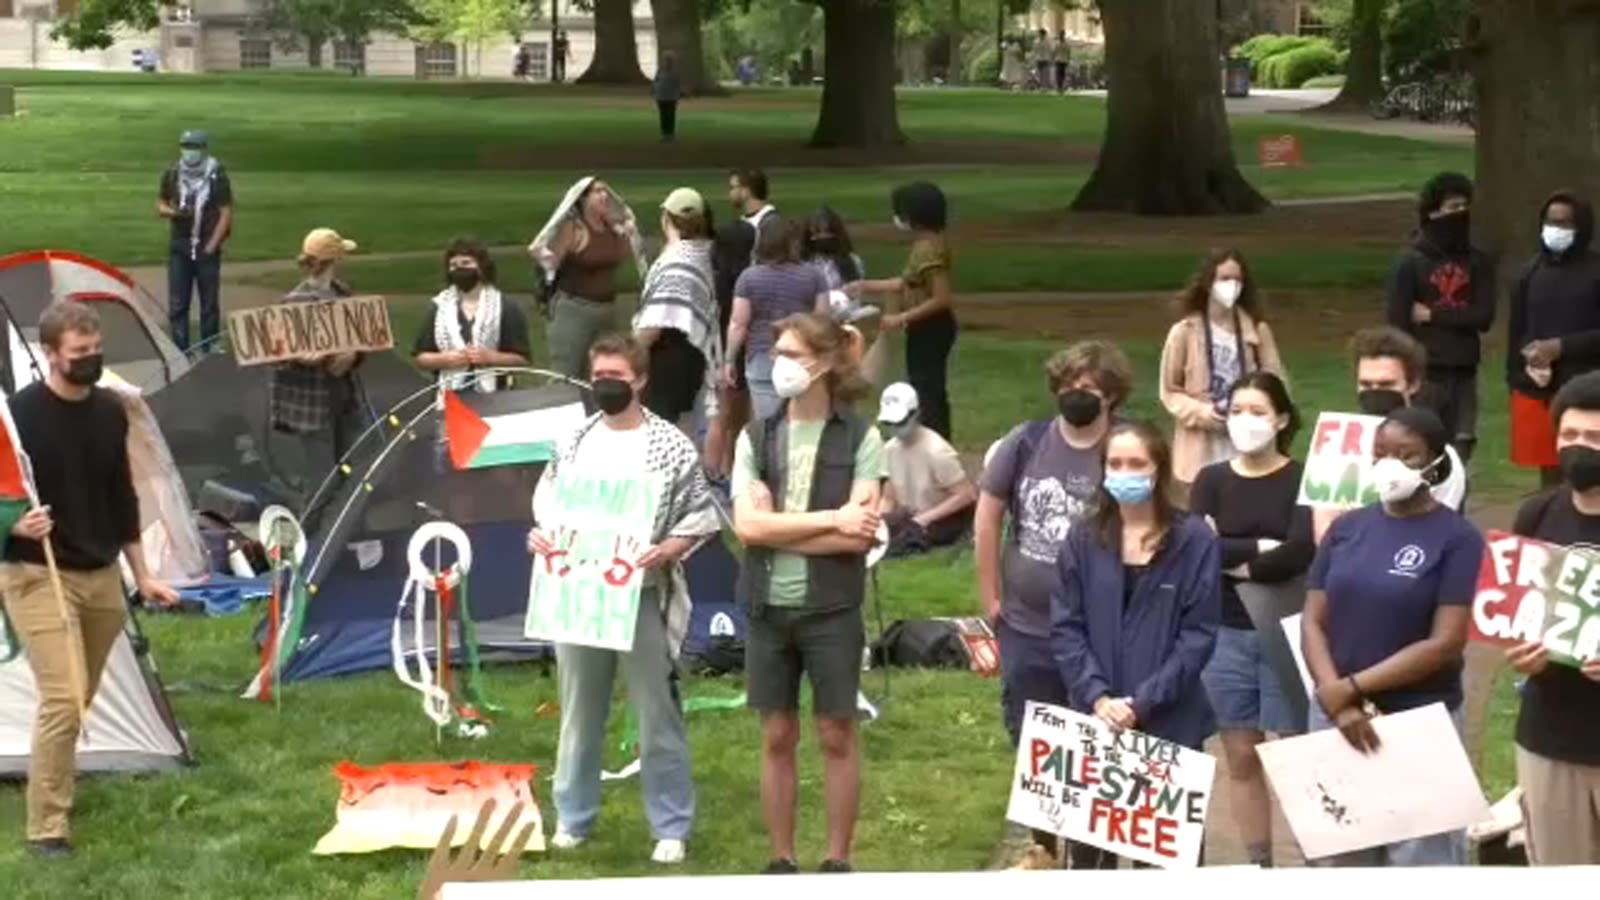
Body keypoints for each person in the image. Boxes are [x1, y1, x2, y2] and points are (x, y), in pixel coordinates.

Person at [0, 301, 180, 859]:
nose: (90, 361)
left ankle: (60, 779)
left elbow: (119, 494)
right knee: (64, 694)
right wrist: (15, 523)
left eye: (95, 351)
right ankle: (47, 828)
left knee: (81, 698)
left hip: (101, 572)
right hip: (36, 571)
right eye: (79, 354)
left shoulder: (110, 410)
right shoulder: (19, 418)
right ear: (51, 355)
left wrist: (143, 573)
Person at [528, 334, 717, 865]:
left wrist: (665, 551)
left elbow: (698, 518)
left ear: (639, 380)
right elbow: (547, 505)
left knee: (657, 713)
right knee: (579, 714)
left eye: (616, 376)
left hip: (640, 597)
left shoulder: (670, 446)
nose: (606, 385)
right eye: (599, 376)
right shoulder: (573, 441)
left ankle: (671, 824)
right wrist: (539, 537)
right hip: (577, 596)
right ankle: (573, 817)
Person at [729, 312, 884, 874]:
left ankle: (837, 860)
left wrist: (786, 529)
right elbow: (748, 530)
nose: (781, 365)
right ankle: (781, 858)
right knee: (776, 732)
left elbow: (859, 534)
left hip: (831, 608)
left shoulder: (862, 437)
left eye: (792, 354)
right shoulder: (756, 435)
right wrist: (831, 521)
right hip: (767, 606)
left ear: (820, 362)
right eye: (778, 352)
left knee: (835, 730)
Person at [1301, 406, 1481, 867]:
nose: (1390, 465)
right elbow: (1312, 620)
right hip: (1335, 716)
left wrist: (1354, 689)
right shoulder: (1347, 527)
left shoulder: (1458, 538)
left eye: (1408, 455)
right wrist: (1336, 699)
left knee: (1422, 861)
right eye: (1381, 453)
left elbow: (1445, 642)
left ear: (1436, 464)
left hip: (1419, 721)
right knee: (1340, 859)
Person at [975, 340, 1132, 859]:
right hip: (1026, 623)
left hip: (1099, 631)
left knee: (1096, 746)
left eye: (1087, 388)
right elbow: (988, 515)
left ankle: (1093, 859)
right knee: (1032, 738)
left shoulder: (1127, 448)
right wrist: (991, 596)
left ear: (1111, 395)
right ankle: (1043, 846)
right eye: (1067, 387)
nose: (1075, 395)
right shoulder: (1027, 442)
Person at [1052, 420, 1220, 870]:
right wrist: (1097, 695)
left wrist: (1142, 703)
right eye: (1115, 463)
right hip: (1096, 722)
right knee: (1088, 863)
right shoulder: (1082, 538)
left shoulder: (1195, 540)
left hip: (1169, 722)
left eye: (1136, 464)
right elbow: (1067, 626)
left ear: (1158, 469)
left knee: (1166, 866)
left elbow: (1198, 635)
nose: (1125, 472)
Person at [1189, 371, 1313, 868]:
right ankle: (1259, 863)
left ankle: (1314, 859)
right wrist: (1262, 547)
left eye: (1258, 411)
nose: (1246, 421)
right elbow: (1198, 549)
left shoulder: (1302, 477)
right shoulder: (1211, 480)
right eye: (1237, 410)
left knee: (1294, 755)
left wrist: (1233, 556)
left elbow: (1301, 551)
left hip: (1285, 629)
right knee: (1240, 753)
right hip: (1224, 631)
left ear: (1281, 418)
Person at [1501, 371, 1600, 865]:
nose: (1580, 448)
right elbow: (1517, 615)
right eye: (1571, 436)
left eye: (1595, 438)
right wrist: (1523, 655)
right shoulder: (1536, 515)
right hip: (1550, 735)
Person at [1315, 327, 1468, 540]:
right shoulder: (1337, 443)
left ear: (1413, 384)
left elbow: (1430, 533)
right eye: (1366, 384)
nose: (1375, 391)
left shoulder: (1438, 455)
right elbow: (1324, 530)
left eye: (1386, 384)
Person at [1159, 249, 1285, 506]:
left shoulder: (1257, 331)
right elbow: (1170, 390)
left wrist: (1256, 412)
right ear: (1208, 282)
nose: (1232, 286)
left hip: (1246, 436)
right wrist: (1203, 413)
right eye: (1225, 279)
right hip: (1200, 444)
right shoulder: (1184, 331)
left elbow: (1275, 383)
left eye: (1238, 280)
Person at [1386, 172, 1495, 465]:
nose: (1461, 214)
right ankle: (1426, 500)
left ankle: (1452, 504)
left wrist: (1433, 314)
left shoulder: (1477, 262)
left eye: (1464, 206)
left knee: (1461, 447)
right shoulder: (1409, 262)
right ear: (1433, 212)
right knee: (1424, 448)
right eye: (1453, 207)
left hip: (1464, 371)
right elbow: (1398, 322)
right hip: (1426, 375)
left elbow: (1484, 316)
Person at [847, 182, 957, 440]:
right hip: (925, 326)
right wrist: (865, 285)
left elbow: (941, 298)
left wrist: (901, 317)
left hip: (933, 327)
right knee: (925, 386)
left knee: (928, 389)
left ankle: (936, 443)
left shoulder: (929, 250)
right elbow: (906, 282)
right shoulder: (926, 245)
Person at [1506, 190, 1600, 489]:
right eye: (1551, 221)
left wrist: (1561, 347)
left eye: (1565, 223)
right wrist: (1517, 376)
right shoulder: (1529, 272)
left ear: (1581, 227)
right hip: (1537, 388)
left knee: (1586, 468)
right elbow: (1517, 329)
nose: (1556, 229)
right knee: (1549, 473)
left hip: (1587, 388)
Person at [269, 228, 367, 501]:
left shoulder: (344, 294)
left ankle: (339, 535)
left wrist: (353, 354)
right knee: (324, 482)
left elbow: (361, 340)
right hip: (312, 406)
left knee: (348, 472)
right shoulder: (293, 302)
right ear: (335, 260)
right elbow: (277, 357)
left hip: (343, 398)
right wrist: (300, 358)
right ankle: (309, 537)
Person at [529, 177, 644, 380]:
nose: (604, 196)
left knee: (603, 372)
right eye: (597, 192)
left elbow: (624, 255)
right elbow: (550, 263)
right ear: (582, 199)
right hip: (574, 311)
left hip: (607, 311)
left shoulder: (612, 229)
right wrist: (543, 256)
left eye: (605, 191)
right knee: (566, 375)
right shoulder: (573, 229)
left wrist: (627, 230)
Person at [725, 218, 829, 421]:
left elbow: (738, 324)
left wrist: (729, 359)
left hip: (762, 356)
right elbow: (822, 320)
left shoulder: (748, 278)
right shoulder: (814, 276)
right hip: (803, 358)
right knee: (801, 421)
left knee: (768, 426)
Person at [633, 188, 719, 431]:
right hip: (693, 353)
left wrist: (630, 352)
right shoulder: (703, 252)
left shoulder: (677, 263)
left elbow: (653, 326)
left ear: (666, 218)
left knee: (662, 428)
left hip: (668, 358)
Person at [412, 238, 532, 392]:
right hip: (450, 395)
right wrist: (444, 359)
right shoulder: (438, 307)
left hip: (498, 395)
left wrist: (490, 358)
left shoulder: (506, 307)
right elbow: (421, 358)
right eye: (453, 265)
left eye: (466, 263)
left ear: (481, 267)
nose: (459, 269)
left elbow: (522, 359)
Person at [876, 382, 975, 555]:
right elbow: (888, 497)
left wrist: (925, 519)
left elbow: (966, 494)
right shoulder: (889, 450)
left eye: (900, 422)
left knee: (903, 540)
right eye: (889, 423)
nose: (895, 429)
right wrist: (877, 521)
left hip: (941, 519)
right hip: (910, 516)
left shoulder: (936, 450)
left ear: (916, 415)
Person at [158, 129, 233, 353]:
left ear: (203, 149)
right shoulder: (172, 173)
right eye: (186, 146)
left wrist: (212, 245)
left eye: (195, 147)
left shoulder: (215, 174)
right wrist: (174, 213)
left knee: (209, 301)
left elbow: (226, 212)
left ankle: (209, 343)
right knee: (178, 302)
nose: (190, 152)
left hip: (206, 245)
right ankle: (180, 348)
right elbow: (160, 204)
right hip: (180, 245)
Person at [705, 219, 757, 480]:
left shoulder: (714, 277)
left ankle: (718, 471)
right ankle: (725, 469)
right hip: (738, 350)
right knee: (733, 417)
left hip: (719, 350)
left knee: (722, 415)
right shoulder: (747, 278)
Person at [801, 207, 863, 291]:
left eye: (827, 232)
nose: (823, 237)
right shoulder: (801, 264)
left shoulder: (852, 261)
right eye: (817, 233)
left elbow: (855, 295)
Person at [653, 53, 681, 142]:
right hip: (661, 97)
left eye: (669, 61)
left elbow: (677, 85)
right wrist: (653, 91)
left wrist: (679, 93)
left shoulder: (675, 73)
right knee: (663, 115)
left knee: (670, 115)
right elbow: (655, 82)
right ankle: (665, 134)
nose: (667, 63)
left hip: (671, 97)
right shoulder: (659, 71)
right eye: (665, 60)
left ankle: (671, 134)